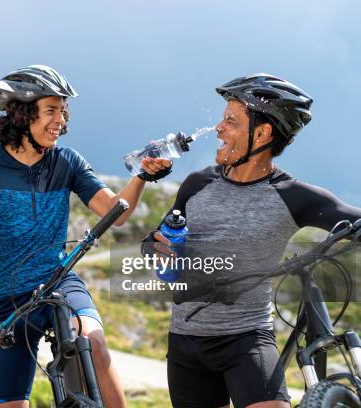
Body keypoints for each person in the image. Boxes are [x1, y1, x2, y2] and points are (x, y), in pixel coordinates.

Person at [142, 73, 361, 408]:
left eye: (230, 120)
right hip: (185, 341)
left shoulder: (293, 196)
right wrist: (155, 247)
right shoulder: (196, 184)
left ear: (262, 133)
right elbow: (156, 238)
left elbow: (351, 217)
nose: (218, 128)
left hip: (246, 340)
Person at [0, 64, 172, 408]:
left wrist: (141, 176)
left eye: (63, 110)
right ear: (21, 114)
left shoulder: (67, 161)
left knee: (94, 344)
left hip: (57, 280)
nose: (60, 119)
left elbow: (113, 212)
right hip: (6, 299)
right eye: (50, 110)